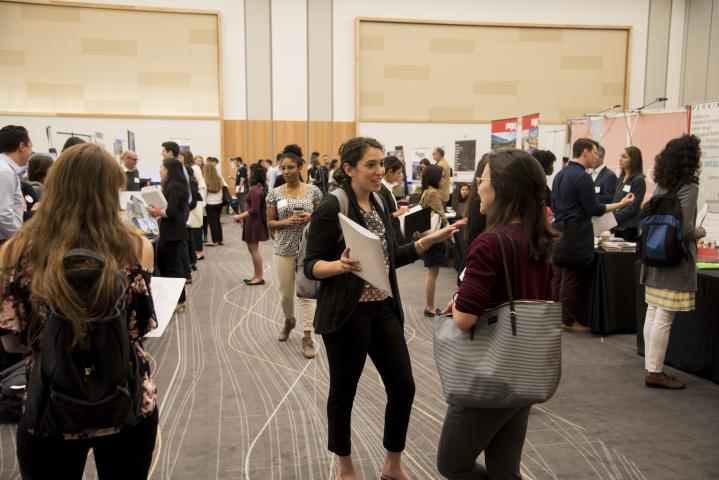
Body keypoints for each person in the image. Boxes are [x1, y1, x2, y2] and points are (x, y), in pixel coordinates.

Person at [0, 143, 158, 478]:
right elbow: (139, 329)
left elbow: (11, 343)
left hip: (50, 402)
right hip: (126, 398)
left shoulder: (15, 252)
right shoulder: (136, 248)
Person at [303, 136, 457, 480]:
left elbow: (391, 259)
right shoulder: (333, 206)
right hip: (347, 314)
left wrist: (425, 242)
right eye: (370, 165)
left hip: (384, 309)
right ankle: (345, 467)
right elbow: (310, 265)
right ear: (349, 169)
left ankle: (392, 464)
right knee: (344, 392)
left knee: (404, 387)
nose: (379, 171)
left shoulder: (381, 201)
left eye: (380, 164)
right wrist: (338, 267)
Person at [437, 149, 560, 480]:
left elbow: (464, 319)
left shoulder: (489, 243)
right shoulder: (538, 237)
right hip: (525, 368)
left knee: (453, 464)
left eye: (482, 180)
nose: (477, 187)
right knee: (505, 469)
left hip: (487, 374)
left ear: (502, 187)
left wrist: (459, 298)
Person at [641, 135, 705, 389]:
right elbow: (686, 228)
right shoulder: (689, 187)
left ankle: (651, 365)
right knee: (664, 316)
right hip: (674, 258)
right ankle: (655, 372)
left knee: (653, 311)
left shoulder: (662, 183)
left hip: (654, 255)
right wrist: (700, 232)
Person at [552, 138, 635, 332]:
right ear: (586, 152)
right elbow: (594, 209)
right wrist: (621, 204)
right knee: (571, 277)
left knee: (559, 276)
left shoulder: (560, 174)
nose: (597, 157)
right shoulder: (583, 177)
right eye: (595, 152)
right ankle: (568, 320)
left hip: (558, 230)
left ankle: (557, 317)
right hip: (575, 233)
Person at [266, 150, 323, 359]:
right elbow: (270, 224)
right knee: (286, 294)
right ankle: (289, 320)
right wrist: (286, 222)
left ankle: (307, 337)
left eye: (291, 167)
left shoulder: (314, 192)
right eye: (283, 168)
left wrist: (312, 216)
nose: (287, 171)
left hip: (308, 249)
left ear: (300, 167)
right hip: (283, 249)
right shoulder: (275, 194)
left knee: (307, 294)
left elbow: (324, 217)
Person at [149, 157, 189, 309]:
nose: (160, 170)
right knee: (169, 264)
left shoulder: (176, 187)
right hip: (169, 230)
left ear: (169, 169)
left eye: (162, 167)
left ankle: (180, 299)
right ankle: (175, 298)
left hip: (173, 231)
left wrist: (156, 211)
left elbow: (171, 211)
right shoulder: (172, 185)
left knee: (174, 266)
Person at [420, 164, 449, 317]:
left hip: (428, 237)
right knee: (432, 274)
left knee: (431, 274)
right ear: (435, 177)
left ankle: (430, 306)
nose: (444, 180)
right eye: (442, 176)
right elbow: (442, 216)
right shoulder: (433, 193)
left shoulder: (426, 191)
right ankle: (430, 307)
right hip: (435, 238)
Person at [233, 164, 269, 285]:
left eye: (249, 172)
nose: (248, 174)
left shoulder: (255, 190)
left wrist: (239, 216)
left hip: (254, 222)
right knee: (253, 249)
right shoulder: (258, 188)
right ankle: (256, 274)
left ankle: (259, 276)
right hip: (253, 221)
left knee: (254, 250)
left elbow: (254, 210)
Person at [0, 125, 33, 246]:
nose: (31, 153)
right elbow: (3, 215)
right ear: (22, 146)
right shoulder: (6, 172)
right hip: (4, 241)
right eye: (31, 147)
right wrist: (21, 240)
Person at [611, 146, 646, 241]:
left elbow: (633, 207)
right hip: (616, 225)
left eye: (624, 157)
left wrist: (614, 217)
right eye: (620, 156)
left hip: (629, 228)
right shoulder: (620, 179)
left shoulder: (638, 180)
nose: (620, 159)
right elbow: (615, 201)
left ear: (633, 160)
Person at [182, 150, 206, 260]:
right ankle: (196, 251)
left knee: (196, 227)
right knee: (193, 228)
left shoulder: (194, 168)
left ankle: (199, 251)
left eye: (180, 157)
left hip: (195, 201)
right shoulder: (188, 167)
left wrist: (197, 202)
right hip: (193, 201)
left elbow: (199, 185)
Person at [379, 155, 409, 243]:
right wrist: (397, 213)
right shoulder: (381, 189)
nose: (400, 176)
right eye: (399, 173)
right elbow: (380, 217)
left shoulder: (387, 187)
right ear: (390, 172)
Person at [203, 157, 226, 246]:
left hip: (210, 203)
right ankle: (220, 240)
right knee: (217, 221)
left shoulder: (205, 179)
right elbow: (224, 187)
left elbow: (204, 193)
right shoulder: (219, 177)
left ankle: (215, 240)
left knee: (212, 223)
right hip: (219, 202)